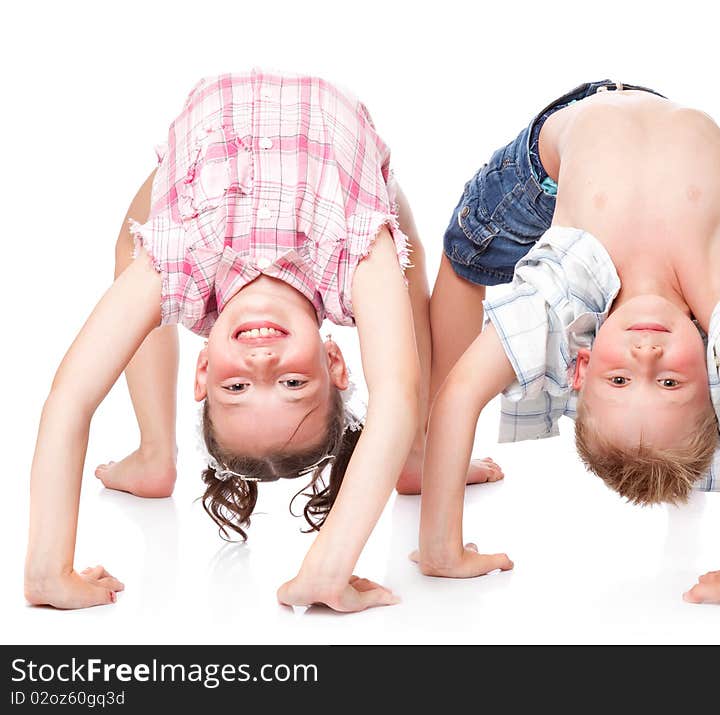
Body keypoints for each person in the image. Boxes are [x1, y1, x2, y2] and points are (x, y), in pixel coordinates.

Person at [24, 69, 474, 613]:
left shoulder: (178, 263)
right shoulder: (350, 259)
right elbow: (396, 397)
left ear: (204, 367)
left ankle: (153, 452)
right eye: (291, 381)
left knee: (131, 247)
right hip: (338, 127)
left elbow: (70, 396)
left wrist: (49, 570)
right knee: (406, 260)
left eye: (235, 386)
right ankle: (416, 454)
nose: (262, 362)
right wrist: (327, 567)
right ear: (335, 361)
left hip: (208, 129)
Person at [413, 80, 720, 608]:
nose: (645, 356)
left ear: (580, 366)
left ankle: (422, 457)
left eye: (619, 379)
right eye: (670, 382)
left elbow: (461, 394)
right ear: (714, 373)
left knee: (467, 259)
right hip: (654, 102)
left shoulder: (564, 290)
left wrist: (440, 548)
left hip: (548, 164)